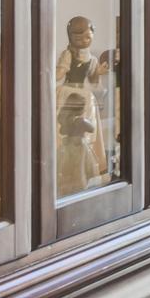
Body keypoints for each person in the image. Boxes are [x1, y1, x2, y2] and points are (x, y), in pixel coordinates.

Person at [55, 16, 116, 195]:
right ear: (71, 37)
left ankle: (87, 165)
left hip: (85, 96)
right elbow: (60, 73)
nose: (84, 41)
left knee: (88, 131)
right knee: (65, 129)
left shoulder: (93, 58)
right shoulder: (68, 55)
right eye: (79, 38)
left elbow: (94, 82)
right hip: (68, 93)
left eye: (87, 37)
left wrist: (100, 73)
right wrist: (57, 73)